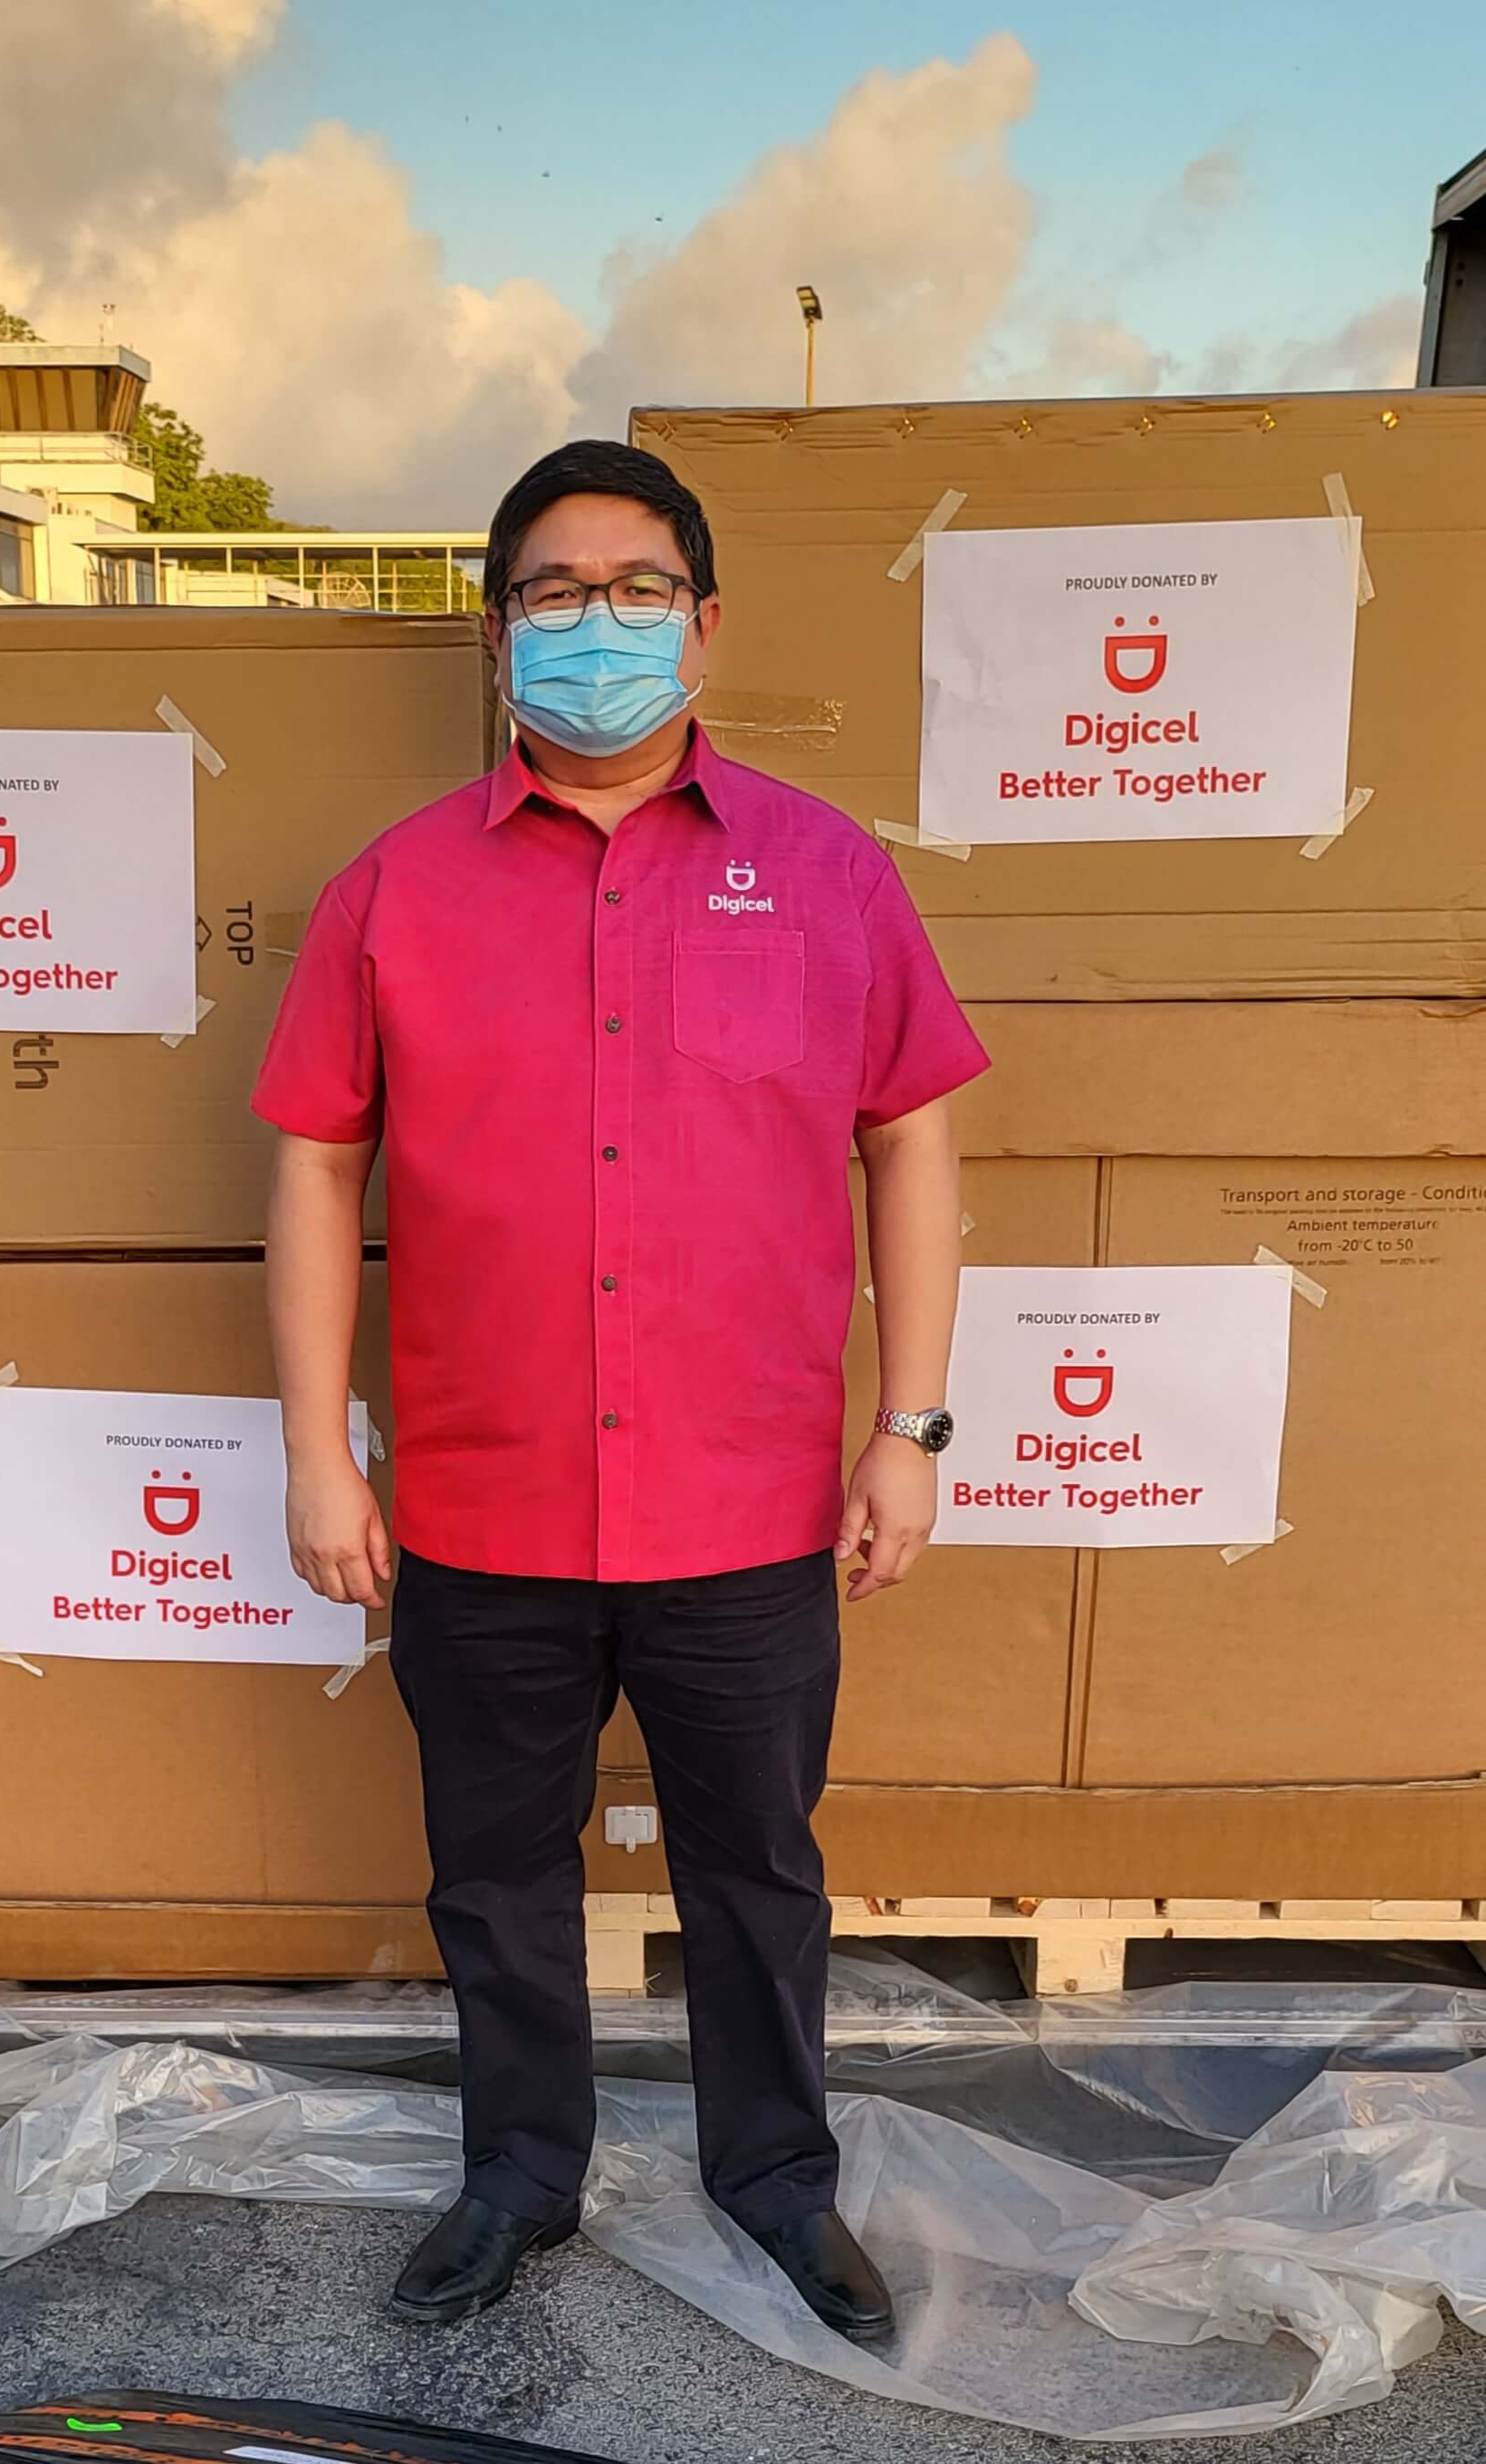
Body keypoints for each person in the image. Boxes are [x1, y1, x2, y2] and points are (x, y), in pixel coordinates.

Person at [254, 439, 988, 2342]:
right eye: (556, 594)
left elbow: (908, 1136)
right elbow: (320, 1162)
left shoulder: (825, 872)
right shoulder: (396, 888)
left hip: (741, 1510)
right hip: (484, 1508)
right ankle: (518, 2174)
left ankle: (776, 2178)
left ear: (706, 619)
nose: (599, 624)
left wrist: (911, 1425)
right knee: (496, 1870)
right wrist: (320, 1451)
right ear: (500, 634)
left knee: (757, 1868)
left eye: (637, 587)